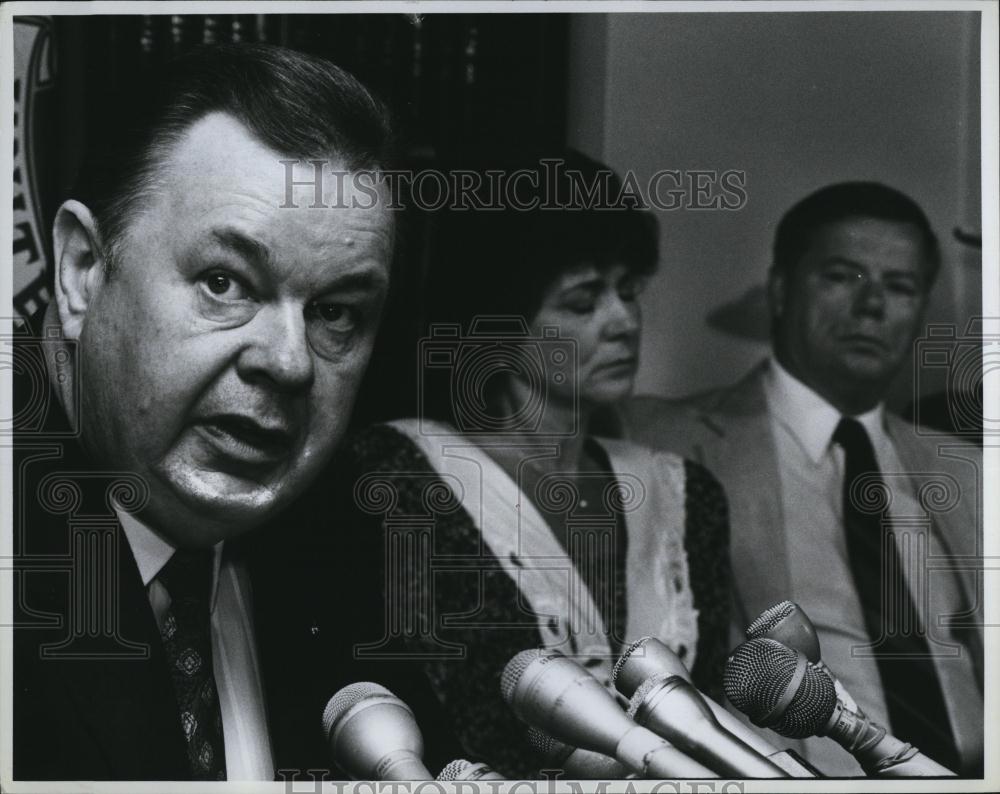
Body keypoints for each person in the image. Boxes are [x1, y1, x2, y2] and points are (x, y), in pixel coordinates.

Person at [11, 43, 455, 781]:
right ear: (83, 270)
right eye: (225, 282)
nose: (289, 361)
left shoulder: (335, 525)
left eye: (336, 312)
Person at [347, 151, 732, 777]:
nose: (624, 321)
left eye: (629, 291)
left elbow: (713, 711)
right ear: (500, 322)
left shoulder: (684, 492)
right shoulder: (405, 473)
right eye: (583, 301)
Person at [620, 182, 983, 776]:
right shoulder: (657, 438)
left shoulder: (969, 469)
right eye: (843, 276)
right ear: (782, 290)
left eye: (900, 286)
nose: (872, 306)